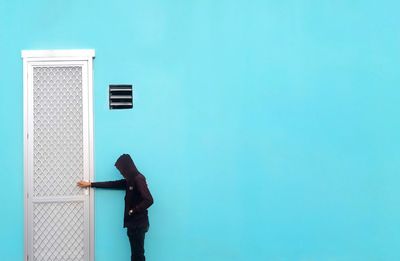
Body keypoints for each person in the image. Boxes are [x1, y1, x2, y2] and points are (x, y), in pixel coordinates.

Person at [77, 154, 154, 261]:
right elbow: (112, 184)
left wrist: (133, 210)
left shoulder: (138, 179)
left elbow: (149, 200)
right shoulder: (130, 181)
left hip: (138, 225)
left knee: (138, 255)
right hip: (133, 225)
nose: (121, 173)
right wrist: (90, 184)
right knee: (136, 255)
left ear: (127, 167)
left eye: (122, 170)